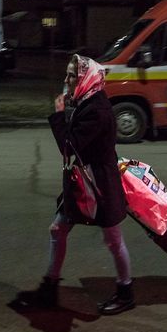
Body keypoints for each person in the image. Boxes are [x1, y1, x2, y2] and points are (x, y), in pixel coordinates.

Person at [32, 54, 134, 315]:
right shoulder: (86, 101)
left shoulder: (97, 110)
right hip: (82, 184)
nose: (66, 80)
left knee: (113, 239)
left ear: (86, 78)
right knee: (57, 229)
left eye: (71, 75)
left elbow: (69, 147)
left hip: (99, 186)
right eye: (67, 74)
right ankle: (49, 286)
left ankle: (125, 292)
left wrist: (58, 116)